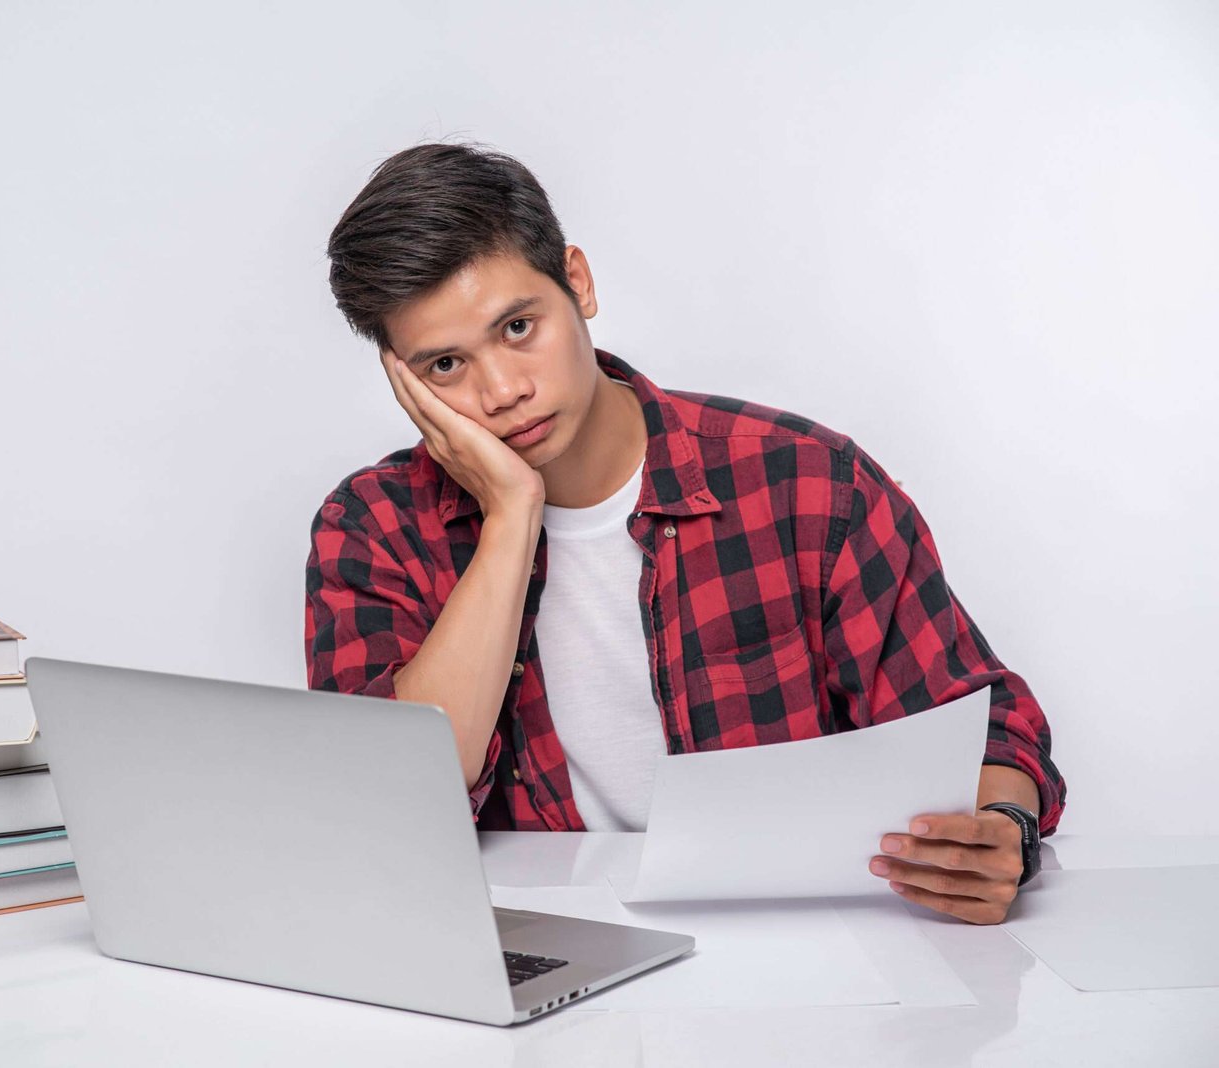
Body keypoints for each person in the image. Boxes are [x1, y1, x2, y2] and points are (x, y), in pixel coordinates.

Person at [304, 142, 1064, 925]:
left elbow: (982, 721)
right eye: (445, 368)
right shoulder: (372, 530)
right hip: (541, 959)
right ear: (401, 379)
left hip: (799, 950)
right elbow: (392, 806)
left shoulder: (804, 482)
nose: (502, 391)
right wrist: (509, 518)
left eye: (520, 327)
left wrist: (1002, 828)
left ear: (579, 282)